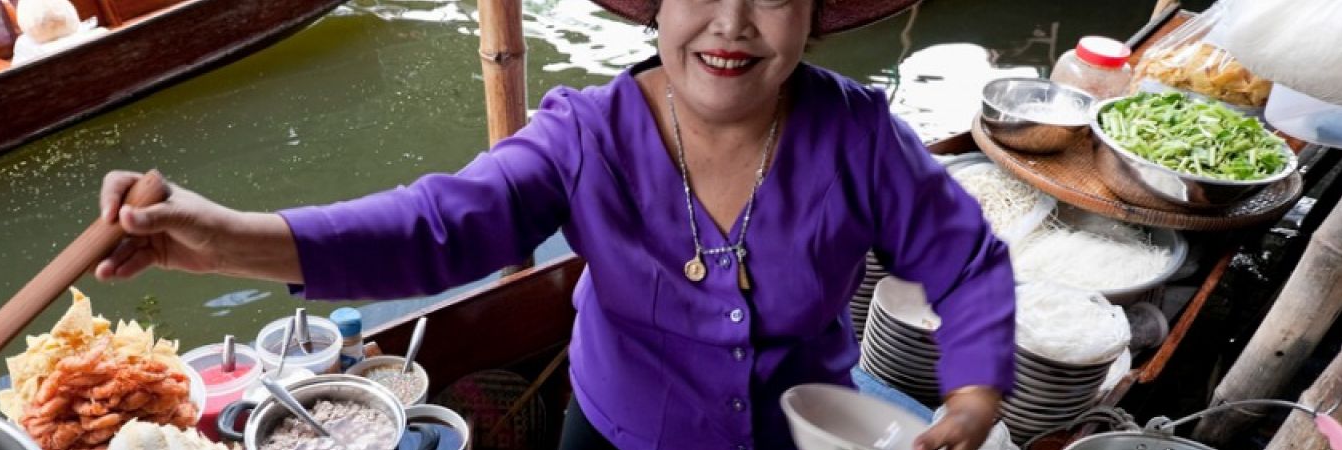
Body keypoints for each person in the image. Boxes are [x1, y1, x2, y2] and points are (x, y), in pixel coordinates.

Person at [94, 0, 1015, 448]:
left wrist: (973, 400)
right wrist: (227, 236)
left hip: (803, 435)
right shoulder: (586, 135)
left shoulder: (859, 136)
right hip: (613, 437)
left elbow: (967, 262)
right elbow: (435, 227)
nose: (730, 24)